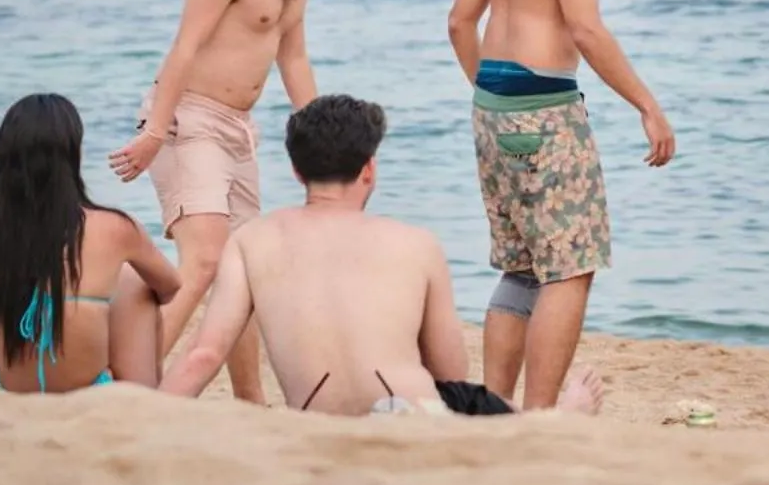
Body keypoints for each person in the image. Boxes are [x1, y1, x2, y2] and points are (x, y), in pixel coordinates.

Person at [445, 0, 673, 411]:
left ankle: (492, 410)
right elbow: (585, 27)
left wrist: (493, 96)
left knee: (519, 266)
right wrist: (647, 105)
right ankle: (540, 420)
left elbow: (460, 21)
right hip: (545, 105)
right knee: (569, 268)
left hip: (492, 103)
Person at [160, 94, 604, 416]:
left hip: (317, 422)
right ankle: (560, 421)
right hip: (413, 416)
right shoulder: (415, 243)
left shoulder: (251, 240)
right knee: (475, 402)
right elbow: (449, 371)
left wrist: (147, 419)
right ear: (369, 169)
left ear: (297, 171)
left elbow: (204, 355)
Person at [107, 0, 332, 403]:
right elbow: (186, 44)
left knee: (242, 271)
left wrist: (326, 150)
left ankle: (250, 402)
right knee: (205, 259)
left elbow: (293, 55)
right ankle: (131, 388)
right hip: (188, 117)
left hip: (237, 131)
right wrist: (156, 131)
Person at [0, 93, 182, 393]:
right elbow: (170, 286)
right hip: (87, 391)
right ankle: (145, 394)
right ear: (73, 155)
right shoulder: (114, 227)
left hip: (8, 391)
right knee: (135, 283)